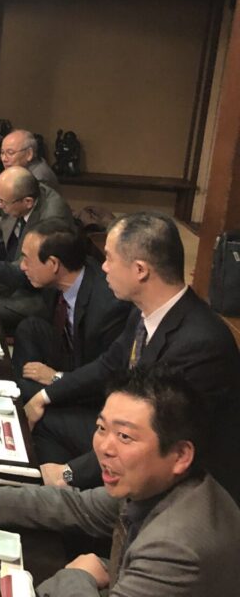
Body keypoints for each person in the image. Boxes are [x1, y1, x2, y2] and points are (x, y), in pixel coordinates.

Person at [0, 367, 240, 597]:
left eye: (125, 436)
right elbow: (80, 506)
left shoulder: (177, 548)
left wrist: (78, 576)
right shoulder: (157, 483)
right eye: (101, 428)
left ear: (180, 455)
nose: (104, 447)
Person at [23, 212, 240, 501]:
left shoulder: (200, 343)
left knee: (60, 471)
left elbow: (154, 440)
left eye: (110, 258)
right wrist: (45, 395)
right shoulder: (144, 311)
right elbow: (108, 364)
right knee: (40, 417)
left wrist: (70, 472)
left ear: (140, 270)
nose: (103, 267)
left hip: (182, 480)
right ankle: (59, 502)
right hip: (129, 432)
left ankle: (75, 510)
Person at [0, 219, 130, 400]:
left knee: (40, 402)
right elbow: (8, 272)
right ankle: (22, 390)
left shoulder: (108, 306)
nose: (23, 266)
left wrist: (56, 377)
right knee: (31, 327)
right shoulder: (64, 274)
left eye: (26, 259)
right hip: (67, 350)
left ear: (53, 264)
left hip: (90, 384)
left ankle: (29, 396)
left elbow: (105, 375)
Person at [0, 166, 74, 331]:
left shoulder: (52, 215)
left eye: (2, 202)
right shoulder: (18, 196)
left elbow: (25, 267)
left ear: (28, 202)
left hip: (41, 294)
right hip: (19, 273)